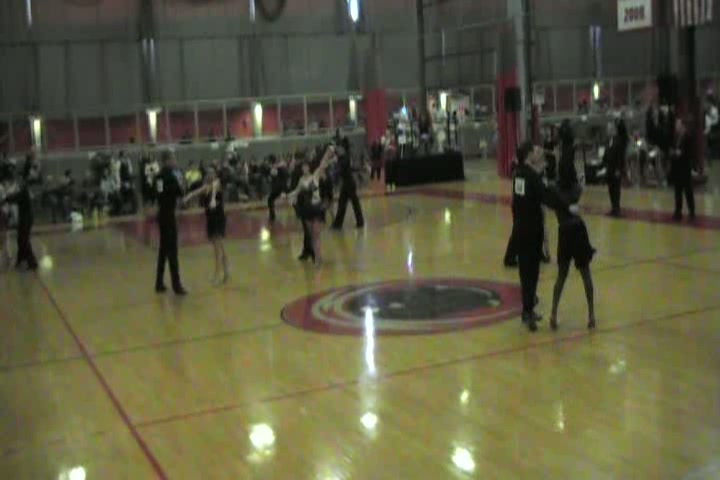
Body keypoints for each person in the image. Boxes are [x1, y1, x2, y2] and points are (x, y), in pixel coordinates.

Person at [545, 154, 596, 331]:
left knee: (561, 275)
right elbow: (577, 191)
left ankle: (553, 313)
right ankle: (591, 314)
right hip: (579, 231)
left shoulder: (554, 189)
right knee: (586, 274)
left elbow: (550, 200)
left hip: (564, 232)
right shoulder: (576, 189)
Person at [511, 141, 548, 331]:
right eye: (534, 151)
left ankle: (528, 309)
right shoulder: (531, 176)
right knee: (531, 273)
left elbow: (517, 203)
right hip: (532, 230)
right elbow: (544, 195)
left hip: (521, 228)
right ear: (528, 154)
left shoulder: (518, 174)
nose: (537, 153)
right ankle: (527, 311)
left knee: (526, 272)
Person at [288, 146, 336, 264]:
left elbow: (323, 164)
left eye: (306, 167)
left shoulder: (315, 176)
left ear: (309, 167)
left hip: (316, 208)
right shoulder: (301, 180)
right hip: (306, 209)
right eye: (303, 167)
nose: (304, 169)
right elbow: (296, 191)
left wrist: (328, 153)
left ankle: (318, 258)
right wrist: (288, 196)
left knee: (316, 234)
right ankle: (315, 255)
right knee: (311, 235)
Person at [183, 165, 228, 284]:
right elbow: (195, 192)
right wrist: (187, 198)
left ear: (215, 175)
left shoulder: (217, 184)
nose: (210, 175)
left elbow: (214, 188)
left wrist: (212, 197)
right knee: (219, 246)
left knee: (218, 247)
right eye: (208, 173)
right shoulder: (206, 187)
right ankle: (226, 272)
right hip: (210, 218)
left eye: (212, 173)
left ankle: (218, 274)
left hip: (218, 217)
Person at [154, 150, 187, 295]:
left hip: (161, 214)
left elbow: (158, 194)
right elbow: (181, 193)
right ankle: (176, 285)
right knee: (172, 251)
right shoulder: (172, 177)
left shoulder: (158, 177)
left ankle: (159, 282)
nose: (175, 161)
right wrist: (180, 182)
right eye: (173, 159)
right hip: (169, 215)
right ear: (167, 160)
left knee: (163, 250)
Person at [3, 172, 37, 271]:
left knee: (24, 240)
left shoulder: (24, 190)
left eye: (20, 179)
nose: (18, 180)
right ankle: (20, 260)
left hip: (26, 219)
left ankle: (32, 262)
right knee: (20, 239)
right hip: (25, 218)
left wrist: (5, 199)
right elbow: (15, 196)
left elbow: (15, 197)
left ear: (23, 180)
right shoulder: (23, 189)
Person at [331, 138, 364, 229]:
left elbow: (340, 170)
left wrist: (334, 166)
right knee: (343, 204)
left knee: (352, 203)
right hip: (347, 184)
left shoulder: (345, 158)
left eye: (338, 148)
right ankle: (338, 224)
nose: (337, 149)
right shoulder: (343, 157)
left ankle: (358, 222)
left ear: (342, 148)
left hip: (349, 184)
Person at [670, 118, 696, 221]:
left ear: (682, 126)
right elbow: (673, 148)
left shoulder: (688, 137)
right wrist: (673, 153)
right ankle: (678, 211)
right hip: (677, 167)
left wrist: (681, 154)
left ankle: (691, 211)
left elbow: (690, 152)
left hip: (685, 167)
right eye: (676, 124)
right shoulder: (675, 137)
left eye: (678, 125)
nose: (676, 126)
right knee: (678, 191)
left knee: (688, 190)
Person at [604, 119, 628, 217]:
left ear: (613, 130)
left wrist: (619, 169)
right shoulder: (608, 141)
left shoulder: (618, 141)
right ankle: (613, 208)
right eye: (607, 129)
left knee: (616, 190)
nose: (607, 131)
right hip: (609, 169)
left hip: (616, 169)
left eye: (609, 129)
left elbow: (620, 156)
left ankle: (617, 209)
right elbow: (606, 154)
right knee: (611, 189)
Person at [267, 154, 289, 223]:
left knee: (270, 200)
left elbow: (275, 175)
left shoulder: (277, 167)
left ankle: (272, 216)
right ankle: (272, 215)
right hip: (281, 187)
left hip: (280, 187)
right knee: (270, 200)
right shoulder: (279, 166)